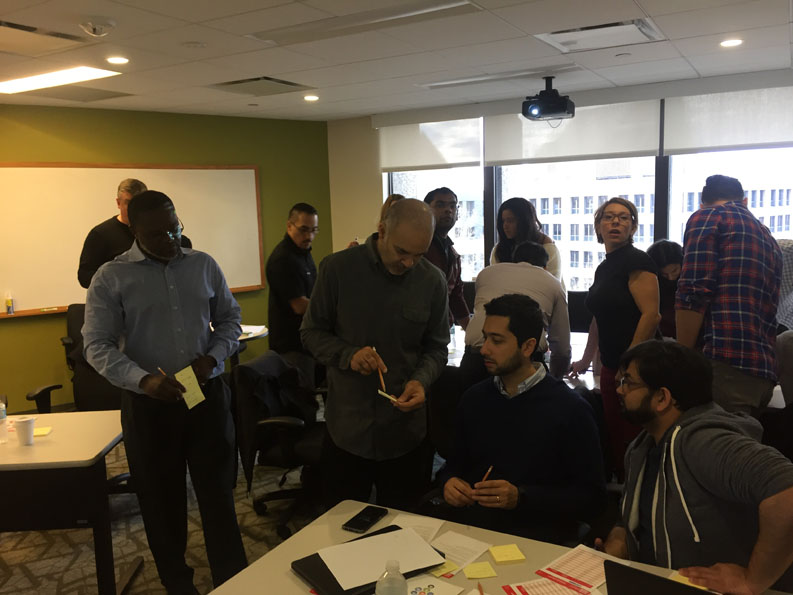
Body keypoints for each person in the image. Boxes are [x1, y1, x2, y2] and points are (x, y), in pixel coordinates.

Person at [83, 191, 246, 594]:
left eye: (175, 228)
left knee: (218, 494)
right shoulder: (111, 277)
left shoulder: (203, 265)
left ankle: (234, 580)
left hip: (203, 395)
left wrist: (213, 358)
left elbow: (230, 320)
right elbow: (96, 345)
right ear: (134, 231)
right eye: (157, 234)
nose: (171, 239)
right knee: (162, 503)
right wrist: (143, 380)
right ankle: (178, 583)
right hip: (149, 404)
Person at [598, 340, 793, 595]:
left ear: (662, 398)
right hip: (656, 582)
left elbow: (787, 491)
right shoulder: (642, 447)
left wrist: (752, 580)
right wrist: (619, 541)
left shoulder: (702, 441)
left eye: (628, 382)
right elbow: (631, 518)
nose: (619, 390)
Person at [301, 198, 449, 510]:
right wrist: (348, 355)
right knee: (342, 527)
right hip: (348, 429)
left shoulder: (432, 280)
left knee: (404, 529)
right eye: (402, 252)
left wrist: (421, 381)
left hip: (406, 434)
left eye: (419, 254)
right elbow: (311, 333)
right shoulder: (337, 269)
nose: (409, 263)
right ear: (382, 231)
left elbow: (436, 348)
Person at [435, 294, 605, 543]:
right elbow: (453, 465)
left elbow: (592, 497)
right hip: (473, 530)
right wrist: (449, 482)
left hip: (538, 537)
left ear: (527, 347)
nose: (484, 349)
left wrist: (522, 497)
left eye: (497, 341)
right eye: (485, 337)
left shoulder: (569, 409)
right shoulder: (475, 398)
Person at [676, 175, 782, 416]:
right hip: (762, 370)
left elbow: (693, 290)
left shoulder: (709, 217)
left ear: (702, 203)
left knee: (708, 439)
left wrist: (682, 359)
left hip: (723, 364)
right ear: (744, 201)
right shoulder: (768, 238)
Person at [572, 197, 659, 479]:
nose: (616, 222)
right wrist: (585, 359)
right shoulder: (605, 267)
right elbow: (599, 316)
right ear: (598, 226)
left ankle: (638, 494)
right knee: (616, 433)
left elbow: (651, 316)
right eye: (608, 217)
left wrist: (629, 365)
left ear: (632, 227)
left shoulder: (637, 261)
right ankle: (624, 491)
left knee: (635, 436)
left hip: (637, 368)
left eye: (624, 217)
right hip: (612, 365)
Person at [462, 241, 570, 387]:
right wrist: (557, 380)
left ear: (514, 261)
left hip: (475, 359)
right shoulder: (553, 283)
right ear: (545, 267)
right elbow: (561, 348)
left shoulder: (486, 273)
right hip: (524, 361)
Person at [78, 178, 191, 288]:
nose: (135, 209)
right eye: (128, 203)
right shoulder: (100, 234)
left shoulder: (174, 240)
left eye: (142, 205)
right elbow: (84, 276)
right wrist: (121, 278)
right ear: (118, 203)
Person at [265, 203, 318, 357]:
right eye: (303, 230)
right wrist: (331, 307)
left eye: (313, 230)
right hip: (291, 348)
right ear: (289, 226)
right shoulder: (282, 259)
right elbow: (299, 306)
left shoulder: (304, 252)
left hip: (309, 341)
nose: (309, 236)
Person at [423, 187, 471, 329]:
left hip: (441, 330)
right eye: (440, 205)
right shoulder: (417, 248)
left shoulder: (453, 254)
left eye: (452, 206)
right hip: (416, 329)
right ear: (426, 211)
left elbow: (456, 297)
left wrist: (472, 333)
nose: (448, 210)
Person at [491, 197, 561, 279]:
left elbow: (552, 283)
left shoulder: (547, 247)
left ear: (524, 222)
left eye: (510, 221)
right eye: (503, 221)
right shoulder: (500, 249)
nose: (505, 226)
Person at [646, 239, 683, 338]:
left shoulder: (687, 282)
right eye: (664, 274)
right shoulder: (652, 282)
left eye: (674, 271)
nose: (670, 278)